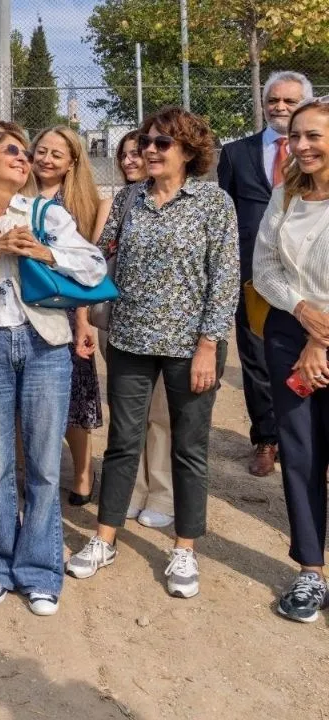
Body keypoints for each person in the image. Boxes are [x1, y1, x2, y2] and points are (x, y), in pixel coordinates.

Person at [0, 120, 108, 617]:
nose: (23, 158)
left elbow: (94, 267)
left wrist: (44, 250)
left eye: (25, 153)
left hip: (44, 343)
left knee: (44, 464)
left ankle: (39, 572)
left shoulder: (43, 213)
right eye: (11, 151)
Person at [67, 108, 239, 601]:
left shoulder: (212, 202)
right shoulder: (127, 198)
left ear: (188, 151)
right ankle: (106, 538)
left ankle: (184, 548)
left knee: (188, 447)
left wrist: (209, 345)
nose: (149, 150)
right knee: (124, 442)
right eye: (146, 141)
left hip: (192, 348)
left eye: (162, 143)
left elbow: (224, 279)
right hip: (130, 342)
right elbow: (99, 257)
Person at [253, 97, 329, 622]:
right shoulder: (285, 196)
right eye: (296, 135)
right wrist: (303, 313)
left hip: (318, 336)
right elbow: (265, 267)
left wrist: (322, 338)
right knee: (300, 454)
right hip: (288, 332)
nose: (301, 145)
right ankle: (310, 570)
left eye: (314, 136)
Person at [218, 71, 313, 478]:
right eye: (273, 100)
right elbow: (224, 215)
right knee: (256, 357)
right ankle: (267, 439)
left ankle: (311, 441)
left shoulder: (316, 154)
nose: (279, 107)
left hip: (310, 276)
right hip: (252, 275)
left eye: (289, 102)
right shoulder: (236, 153)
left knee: (312, 352)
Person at [30, 125, 110, 506]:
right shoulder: (19, 193)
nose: (46, 159)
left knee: (74, 402)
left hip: (66, 313)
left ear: (72, 162)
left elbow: (87, 271)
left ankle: (82, 472)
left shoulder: (81, 203)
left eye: (56, 154)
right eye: (41, 150)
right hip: (26, 310)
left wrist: (82, 322)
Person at [102, 130, 176, 528]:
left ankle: (161, 492)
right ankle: (130, 488)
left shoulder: (190, 202)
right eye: (126, 154)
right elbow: (101, 251)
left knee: (161, 415)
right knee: (129, 413)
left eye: (139, 153)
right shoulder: (124, 200)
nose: (133, 160)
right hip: (120, 322)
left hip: (169, 328)